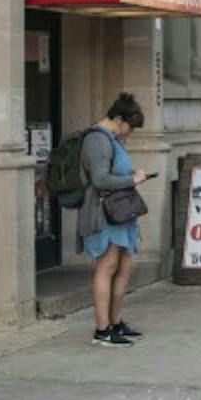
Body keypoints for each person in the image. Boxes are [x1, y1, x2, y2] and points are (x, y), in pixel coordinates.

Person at [79, 92, 156, 347]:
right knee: (107, 266)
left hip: (121, 212)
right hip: (105, 214)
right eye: (129, 127)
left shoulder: (113, 139)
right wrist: (132, 180)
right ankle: (102, 329)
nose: (129, 132)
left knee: (123, 267)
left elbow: (114, 173)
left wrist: (132, 175)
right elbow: (100, 179)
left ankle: (116, 321)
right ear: (119, 119)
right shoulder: (98, 140)